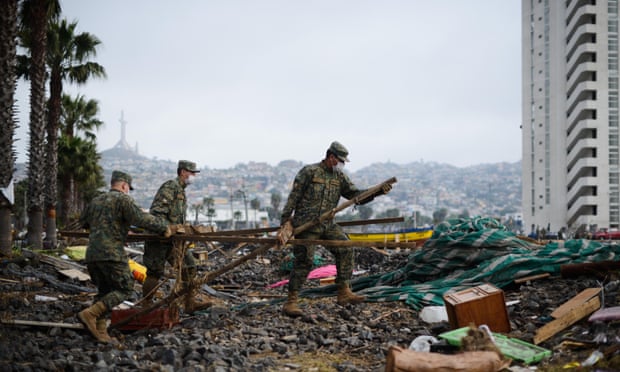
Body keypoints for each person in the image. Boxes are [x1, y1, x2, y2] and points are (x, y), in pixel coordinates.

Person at [277, 141, 391, 317]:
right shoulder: (309, 172)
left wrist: (376, 192)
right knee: (304, 261)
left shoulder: (340, 177)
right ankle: (291, 302)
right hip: (306, 225)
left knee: (345, 248)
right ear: (331, 157)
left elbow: (355, 195)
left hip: (327, 224)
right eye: (340, 161)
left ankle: (344, 292)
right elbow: (294, 197)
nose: (342, 164)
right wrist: (285, 222)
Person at [78, 170, 172, 343]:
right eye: (128, 188)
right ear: (124, 185)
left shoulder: (96, 201)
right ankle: (90, 313)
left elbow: (84, 222)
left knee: (105, 291)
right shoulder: (123, 199)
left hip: (92, 254)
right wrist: (164, 228)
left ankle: (101, 332)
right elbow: (142, 219)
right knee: (125, 288)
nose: (128, 190)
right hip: (112, 253)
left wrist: (116, 224)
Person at [142, 160, 212, 313]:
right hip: (159, 238)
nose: (194, 176)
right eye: (192, 173)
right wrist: (169, 228)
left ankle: (189, 302)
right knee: (155, 272)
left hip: (174, 240)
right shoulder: (170, 187)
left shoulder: (181, 191)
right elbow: (157, 213)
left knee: (189, 266)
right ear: (183, 172)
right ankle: (145, 304)